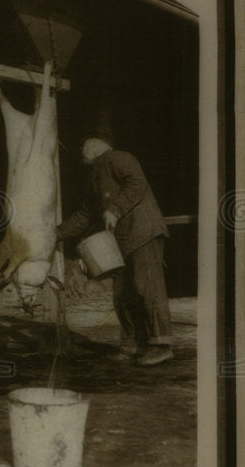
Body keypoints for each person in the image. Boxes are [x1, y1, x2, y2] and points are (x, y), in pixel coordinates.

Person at [57, 123, 174, 366]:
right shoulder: (96, 177)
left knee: (147, 287)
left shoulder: (118, 158)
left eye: (84, 144)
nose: (81, 150)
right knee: (122, 295)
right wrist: (55, 233)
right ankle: (133, 344)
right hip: (122, 242)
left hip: (143, 233)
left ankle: (161, 345)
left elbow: (136, 182)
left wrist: (115, 208)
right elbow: (86, 214)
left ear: (96, 145)